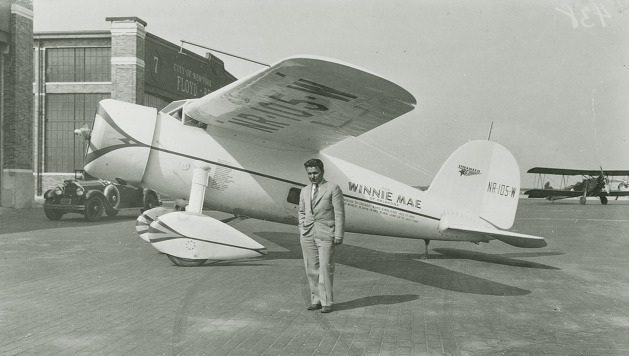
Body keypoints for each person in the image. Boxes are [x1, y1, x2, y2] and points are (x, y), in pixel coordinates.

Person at [298, 158, 345, 313]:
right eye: (310, 173)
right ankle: (316, 300)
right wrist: (302, 227)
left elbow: (339, 213)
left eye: (315, 173)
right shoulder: (305, 190)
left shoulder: (333, 188)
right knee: (311, 268)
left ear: (322, 171)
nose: (313, 176)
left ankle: (327, 302)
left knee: (325, 267)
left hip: (326, 233)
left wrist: (338, 234)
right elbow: (302, 212)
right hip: (307, 234)